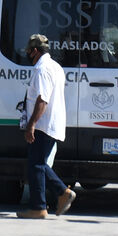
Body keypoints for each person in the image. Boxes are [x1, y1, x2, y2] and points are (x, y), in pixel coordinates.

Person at [18, 33, 77, 218]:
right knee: (39, 164)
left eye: (28, 51)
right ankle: (56, 196)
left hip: (43, 124)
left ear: (35, 51)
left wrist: (31, 125)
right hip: (51, 123)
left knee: (36, 165)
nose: (27, 55)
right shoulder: (55, 67)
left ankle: (42, 205)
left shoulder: (42, 69)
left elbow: (42, 100)